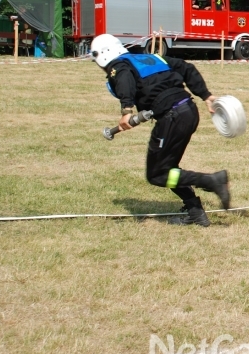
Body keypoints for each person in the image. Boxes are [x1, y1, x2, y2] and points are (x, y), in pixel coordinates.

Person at [89, 34, 231, 226]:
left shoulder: (118, 65)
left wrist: (127, 109)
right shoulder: (153, 57)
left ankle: (212, 181)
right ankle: (195, 212)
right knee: (167, 168)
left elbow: (124, 78)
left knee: (157, 174)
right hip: (188, 110)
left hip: (172, 116)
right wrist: (205, 95)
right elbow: (186, 68)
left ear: (103, 55)